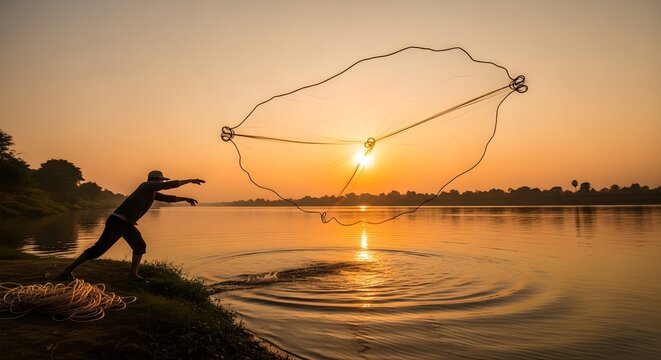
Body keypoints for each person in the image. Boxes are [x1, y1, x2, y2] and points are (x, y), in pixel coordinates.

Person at [59, 170, 205, 281]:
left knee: (140, 246)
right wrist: (190, 180)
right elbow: (168, 186)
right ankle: (67, 270)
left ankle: (133, 275)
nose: (161, 182)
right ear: (155, 180)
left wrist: (186, 198)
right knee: (98, 250)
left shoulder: (152, 192)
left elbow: (168, 198)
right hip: (117, 222)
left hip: (126, 224)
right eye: (160, 180)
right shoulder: (146, 186)